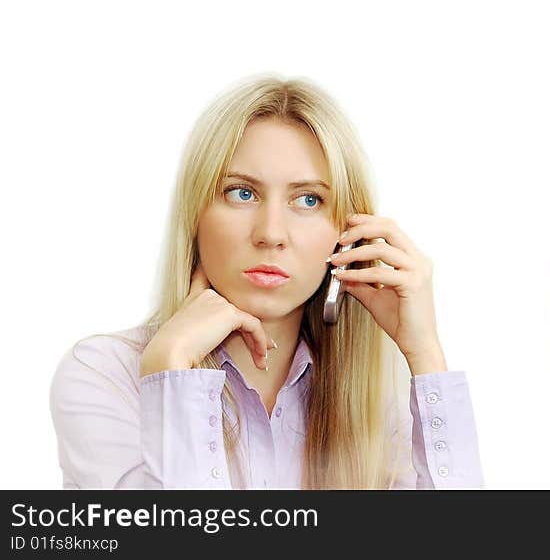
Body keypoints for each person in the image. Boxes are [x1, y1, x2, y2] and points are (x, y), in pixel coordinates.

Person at [49, 74, 484, 489]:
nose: (272, 233)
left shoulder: (380, 406)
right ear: (195, 215)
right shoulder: (102, 375)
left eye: (308, 199)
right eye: (242, 192)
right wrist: (172, 369)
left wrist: (425, 354)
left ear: (350, 233)